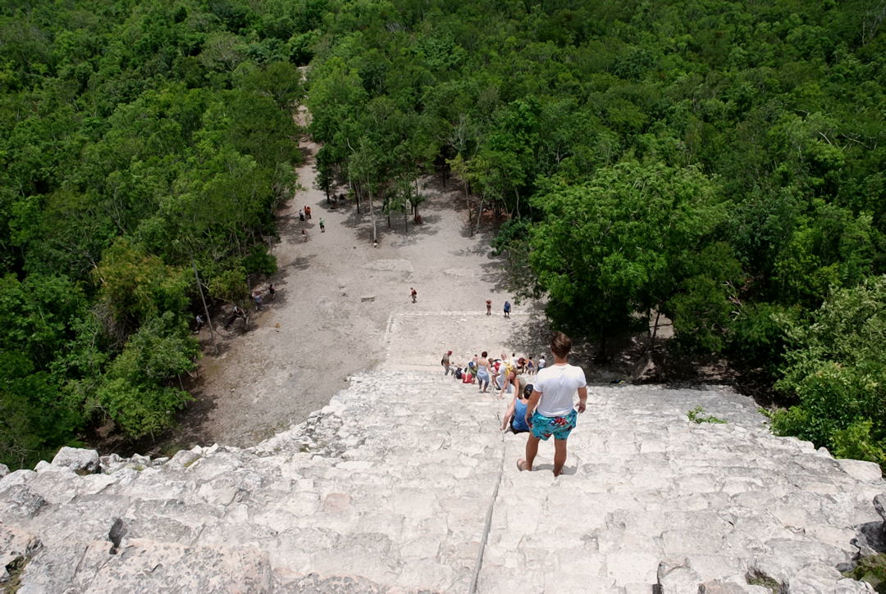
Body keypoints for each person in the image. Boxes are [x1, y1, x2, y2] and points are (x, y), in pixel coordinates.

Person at [517, 332, 587, 478]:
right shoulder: (578, 371)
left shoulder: (544, 373)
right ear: (569, 350)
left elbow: (534, 399)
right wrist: (582, 403)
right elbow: (583, 394)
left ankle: (528, 465)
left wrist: (528, 413)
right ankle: (557, 471)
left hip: (544, 417)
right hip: (565, 417)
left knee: (533, 439)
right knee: (561, 445)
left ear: (552, 350)